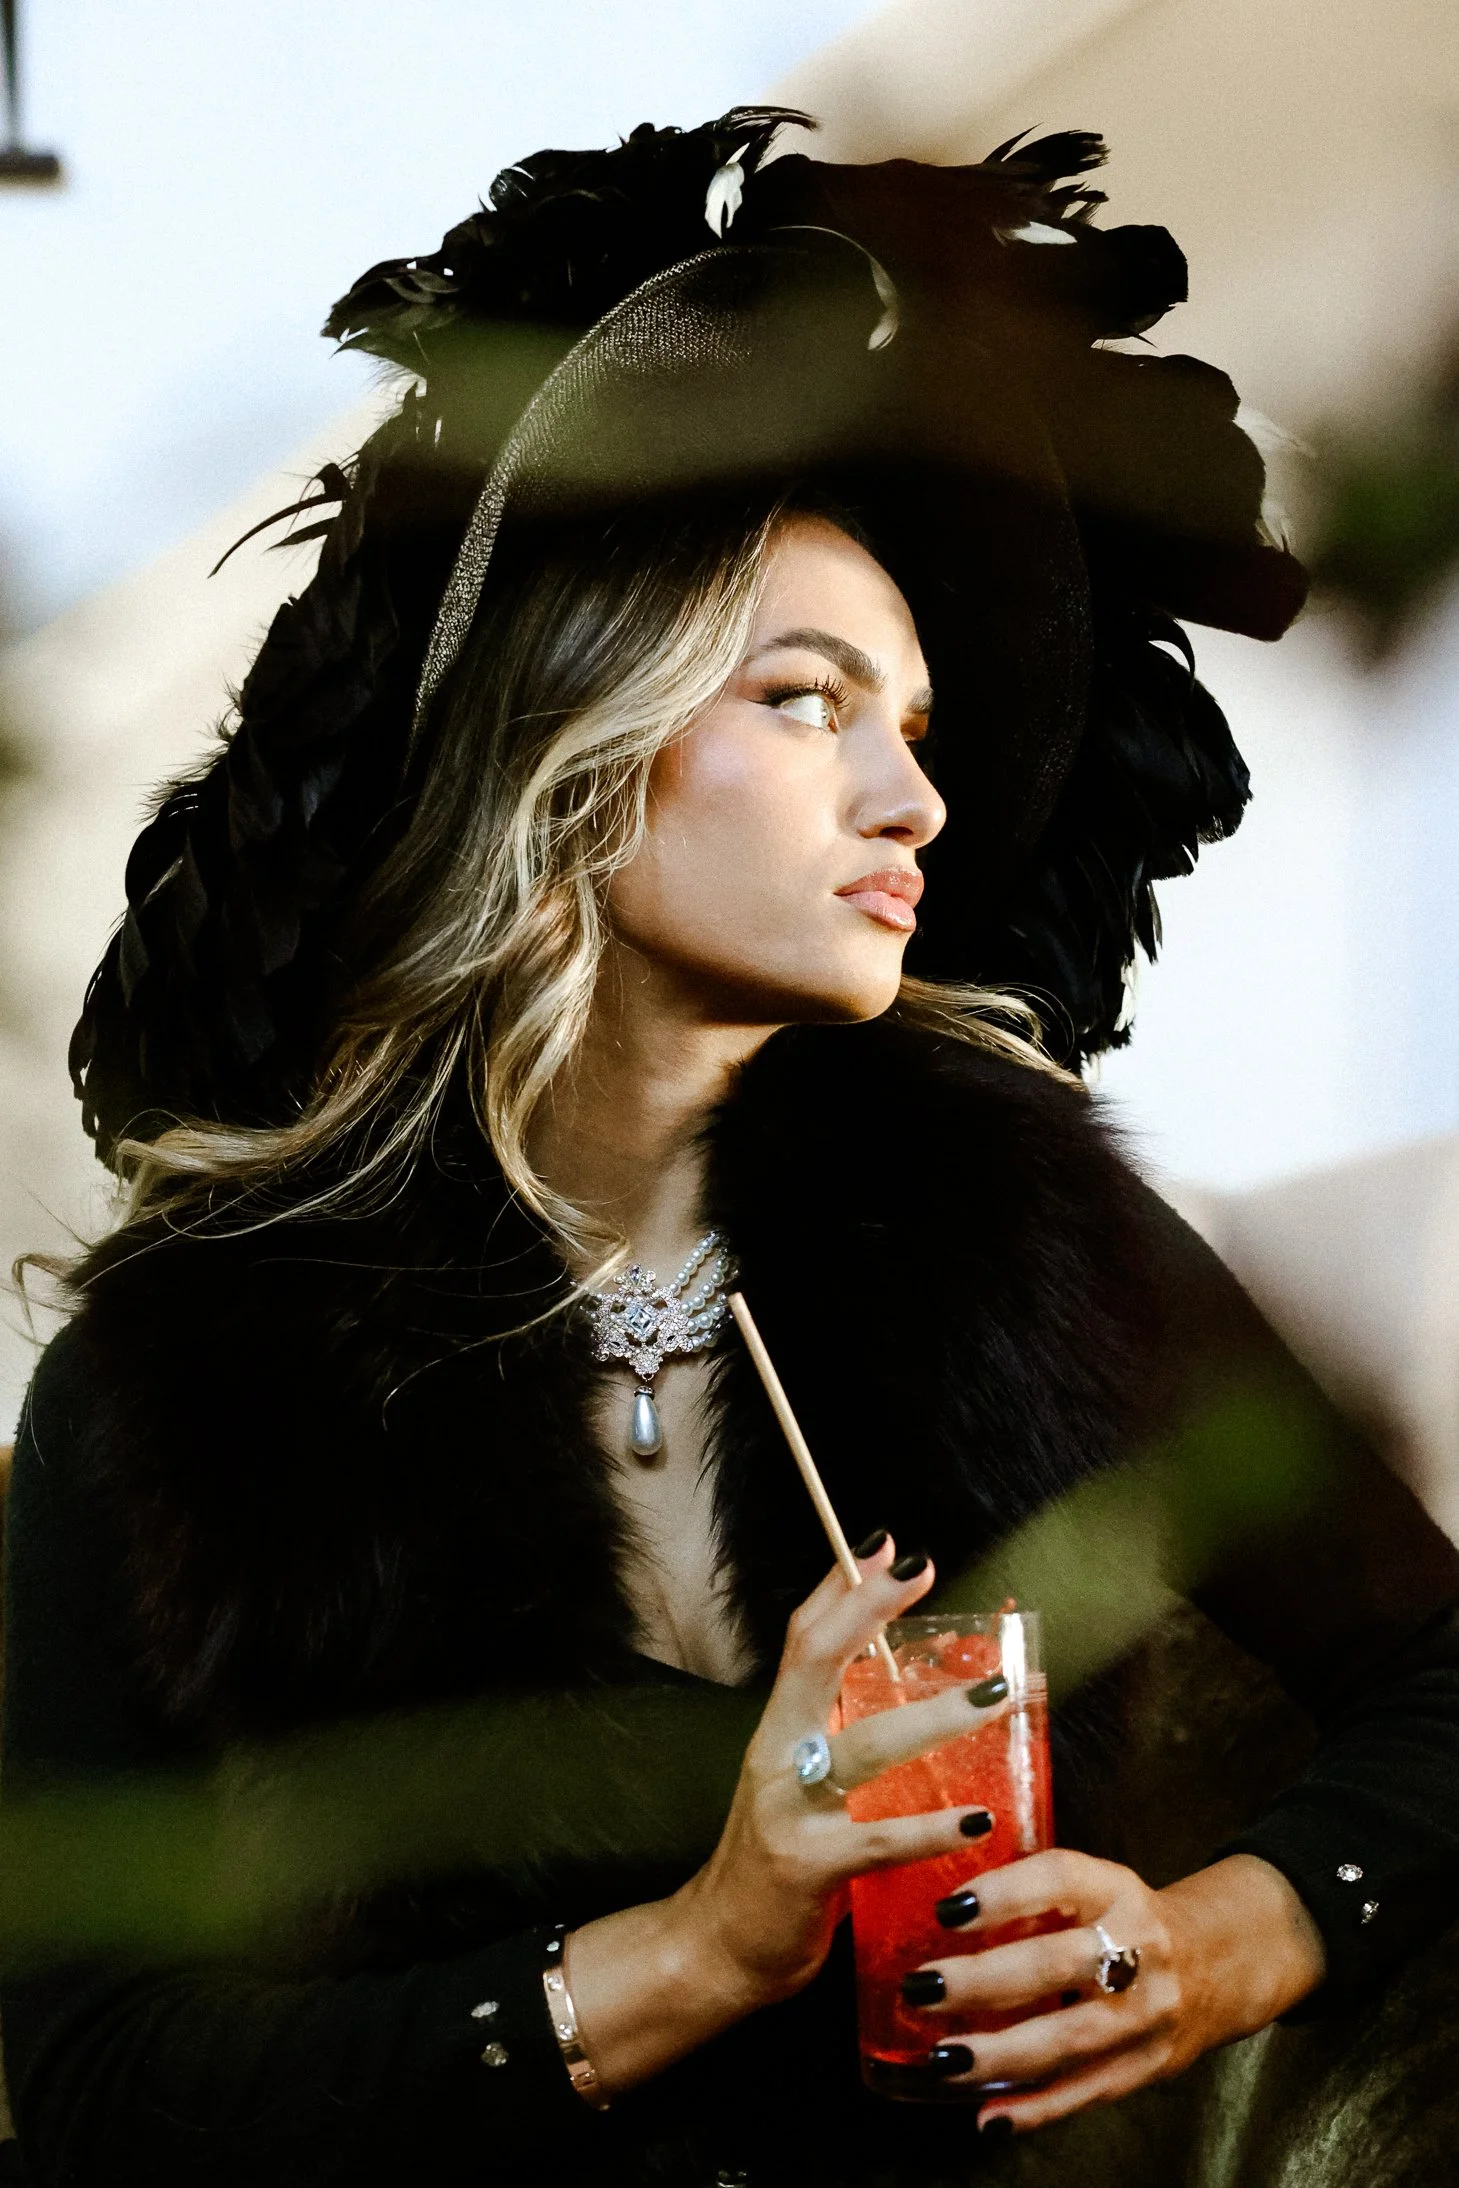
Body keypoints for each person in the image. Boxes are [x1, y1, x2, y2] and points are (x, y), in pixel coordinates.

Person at [4, 109, 1458, 2188]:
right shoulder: (179, 1373)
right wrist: (692, 1947)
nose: (912, 803)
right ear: (579, 757)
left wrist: (1214, 1939)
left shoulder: (1029, 1240)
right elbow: (93, 2079)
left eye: (923, 732)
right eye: (808, 701)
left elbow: (1443, 1673)